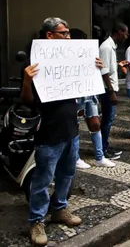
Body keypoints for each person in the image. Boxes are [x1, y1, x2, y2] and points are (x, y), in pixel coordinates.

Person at [21, 17, 103, 246]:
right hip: (48, 133)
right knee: (43, 179)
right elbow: (28, 102)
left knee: (66, 175)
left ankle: (59, 210)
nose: (68, 37)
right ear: (49, 35)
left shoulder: (72, 60)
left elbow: (87, 87)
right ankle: (36, 221)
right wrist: (27, 81)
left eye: (68, 33)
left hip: (71, 130)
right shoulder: (35, 64)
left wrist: (94, 70)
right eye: (64, 33)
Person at [68, 28, 116, 168]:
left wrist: (98, 67)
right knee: (75, 124)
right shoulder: (68, 57)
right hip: (77, 94)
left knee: (95, 123)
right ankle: (75, 158)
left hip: (89, 93)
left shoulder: (89, 55)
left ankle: (99, 157)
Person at [99, 23, 129, 159]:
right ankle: (103, 149)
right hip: (107, 89)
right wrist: (111, 92)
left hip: (110, 88)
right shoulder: (106, 47)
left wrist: (118, 64)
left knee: (108, 119)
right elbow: (104, 71)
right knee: (107, 119)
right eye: (126, 33)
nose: (126, 36)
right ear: (119, 31)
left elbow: (108, 67)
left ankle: (105, 145)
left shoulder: (112, 47)